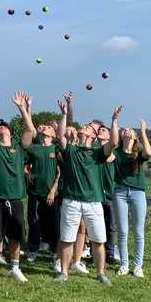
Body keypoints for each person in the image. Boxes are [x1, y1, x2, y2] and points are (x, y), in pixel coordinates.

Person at [54, 101, 120, 286]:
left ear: (92, 135)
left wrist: (114, 120)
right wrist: (64, 113)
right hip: (71, 201)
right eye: (85, 126)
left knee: (99, 240)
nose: (85, 127)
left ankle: (100, 273)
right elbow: (60, 136)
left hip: (93, 202)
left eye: (89, 127)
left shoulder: (99, 152)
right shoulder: (72, 150)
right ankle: (64, 272)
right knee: (67, 238)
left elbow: (114, 142)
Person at [0, 92, 32, 282]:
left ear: (10, 132)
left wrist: (21, 108)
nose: (3, 128)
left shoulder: (18, 147)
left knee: (16, 235)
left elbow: (30, 129)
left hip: (16, 198)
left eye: (5, 127)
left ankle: (15, 268)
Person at [113, 120, 151, 278]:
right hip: (120, 192)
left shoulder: (138, 153)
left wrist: (143, 131)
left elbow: (148, 152)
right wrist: (114, 121)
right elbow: (112, 142)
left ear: (134, 137)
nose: (127, 130)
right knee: (122, 231)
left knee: (138, 231)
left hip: (138, 193)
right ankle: (124, 264)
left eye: (130, 130)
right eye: (125, 129)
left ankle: (137, 266)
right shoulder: (116, 152)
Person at [24, 122, 61, 263]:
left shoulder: (56, 148)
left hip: (51, 194)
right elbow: (25, 164)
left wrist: (53, 190)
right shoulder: (34, 148)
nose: (46, 127)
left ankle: (54, 251)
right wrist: (27, 173)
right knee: (34, 222)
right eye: (44, 128)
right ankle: (32, 250)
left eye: (49, 128)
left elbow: (59, 173)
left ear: (53, 135)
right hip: (35, 192)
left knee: (53, 224)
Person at [96, 124, 117, 264]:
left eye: (103, 130)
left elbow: (110, 157)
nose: (100, 132)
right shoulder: (93, 150)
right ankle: (95, 252)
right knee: (95, 225)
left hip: (109, 193)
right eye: (99, 130)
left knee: (110, 224)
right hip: (95, 193)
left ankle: (109, 252)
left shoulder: (113, 152)